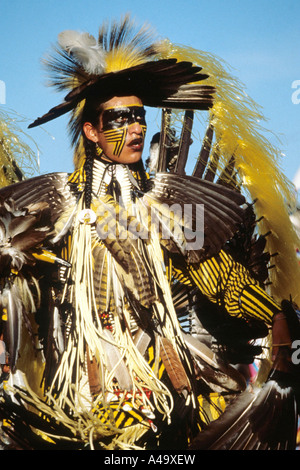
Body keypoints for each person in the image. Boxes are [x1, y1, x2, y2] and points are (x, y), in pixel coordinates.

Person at [0, 15, 299, 451]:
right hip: (76, 392)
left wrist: (276, 320)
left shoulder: (171, 205)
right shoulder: (55, 202)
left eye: (140, 117)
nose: (137, 128)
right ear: (92, 131)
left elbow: (224, 285)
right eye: (120, 119)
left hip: (162, 392)